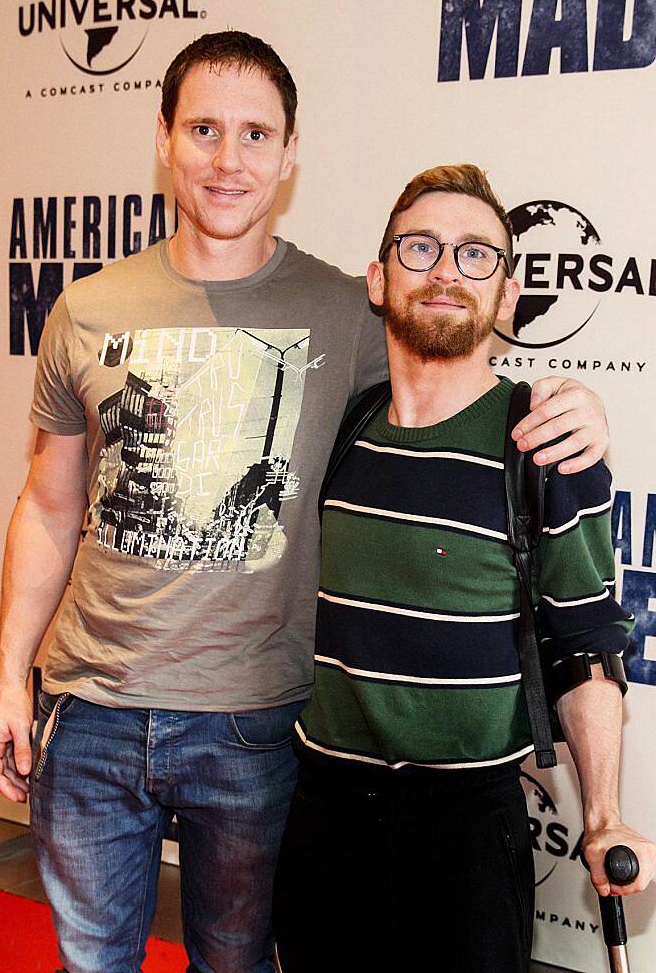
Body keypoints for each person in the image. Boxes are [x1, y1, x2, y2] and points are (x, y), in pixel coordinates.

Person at [0, 34, 610, 973]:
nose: (228, 161)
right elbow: (46, 506)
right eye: (203, 129)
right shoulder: (87, 308)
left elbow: (449, 357)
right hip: (90, 710)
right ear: (163, 138)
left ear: (288, 154)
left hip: (258, 726)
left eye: (254, 134)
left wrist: (584, 407)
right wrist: (7, 678)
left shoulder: (348, 310)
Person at [272, 164, 656, 973]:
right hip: (323, 811)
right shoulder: (338, 430)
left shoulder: (545, 442)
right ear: (379, 280)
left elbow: (586, 644)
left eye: (477, 255)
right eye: (421, 248)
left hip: (468, 832)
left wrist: (605, 816)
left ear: (508, 298)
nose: (447, 270)